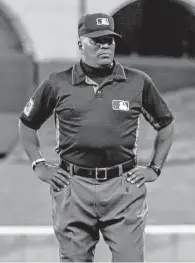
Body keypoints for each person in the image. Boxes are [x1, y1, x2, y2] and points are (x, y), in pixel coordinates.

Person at [18, 13, 175, 262]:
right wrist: (39, 165)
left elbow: (166, 124)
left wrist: (155, 168)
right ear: (81, 44)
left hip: (122, 187)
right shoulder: (57, 83)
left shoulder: (137, 82)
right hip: (73, 187)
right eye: (97, 41)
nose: (105, 46)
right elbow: (27, 125)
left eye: (109, 41)